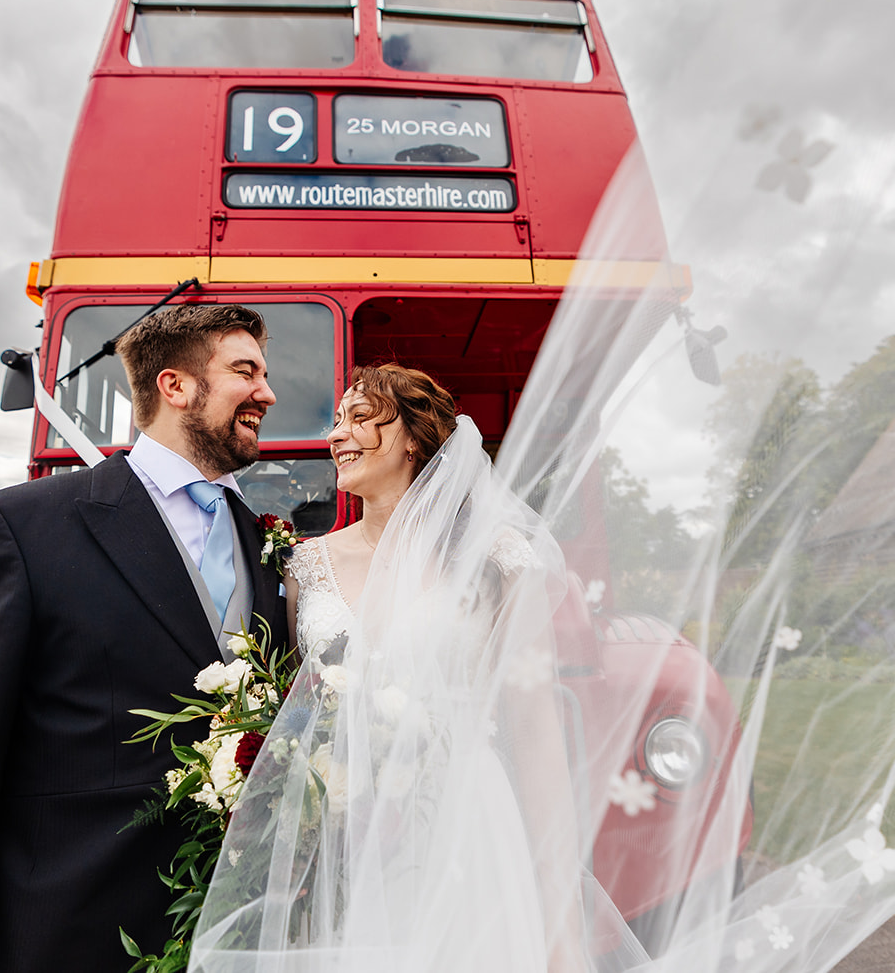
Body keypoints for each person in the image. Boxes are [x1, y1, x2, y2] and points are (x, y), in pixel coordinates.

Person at [0, 303, 289, 973]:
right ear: (175, 386)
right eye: (245, 371)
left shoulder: (268, 545)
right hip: (72, 934)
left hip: (237, 931)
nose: (267, 393)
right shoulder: (25, 528)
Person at [190, 364, 599, 973]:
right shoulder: (304, 566)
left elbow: (537, 736)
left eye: (359, 418)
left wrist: (563, 917)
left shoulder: (498, 561)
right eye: (336, 420)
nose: (336, 435)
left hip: (463, 819)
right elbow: (303, 704)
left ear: (414, 438)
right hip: (338, 832)